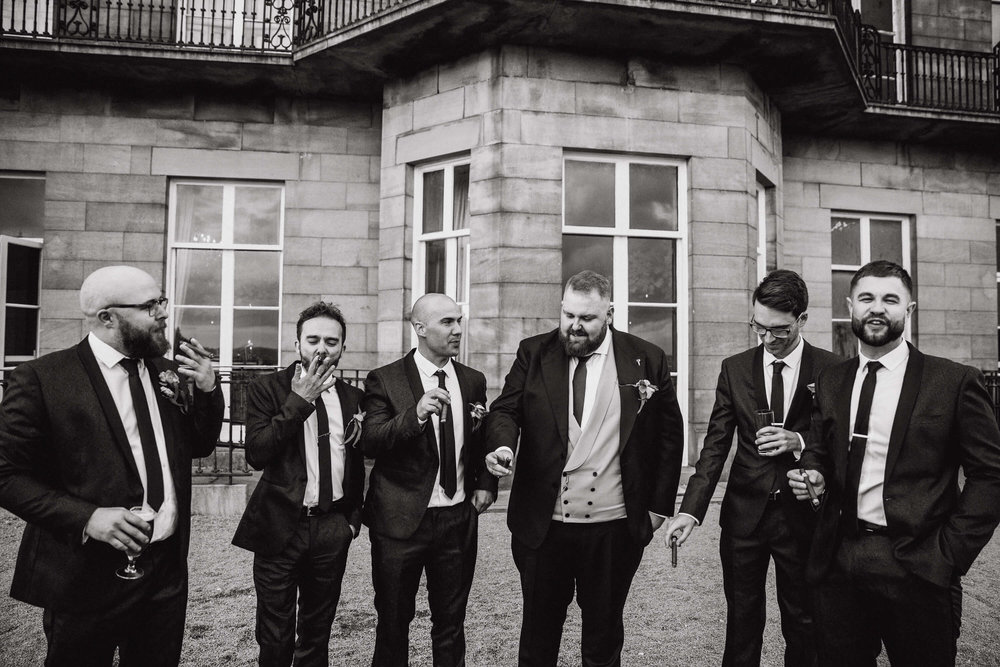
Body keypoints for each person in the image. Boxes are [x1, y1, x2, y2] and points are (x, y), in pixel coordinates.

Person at [0, 265, 224, 667]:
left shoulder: (167, 372)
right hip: (85, 576)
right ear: (107, 317)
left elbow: (199, 445)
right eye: (150, 305)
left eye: (161, 301)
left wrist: (208, 391)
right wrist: (87, 517)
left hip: (165, 574)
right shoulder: (42, 379)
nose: (163, 313)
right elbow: (6, 473)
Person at [788, 260, 1000, 666]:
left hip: (918, 565)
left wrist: (948, 555)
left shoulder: (953, 382)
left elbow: (990, 475)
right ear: (850, 305)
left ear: (909, 310)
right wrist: (812, 471)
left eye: (890, 299)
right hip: (840, 563)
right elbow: (819, 447)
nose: (877, 308)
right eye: (867, 298)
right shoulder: (833, 381)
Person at [484, 269, 685, 667]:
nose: (574, 326)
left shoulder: (647, 358)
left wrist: (659, 508)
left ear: (608, 314)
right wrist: (502, 444)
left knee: (603, 637)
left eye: (586, 318)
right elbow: (506, 408)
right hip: (544, 528)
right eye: (568, 314)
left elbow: (669, 436)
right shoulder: (534, 352)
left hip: (614, 530)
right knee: (538, 639)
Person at [666, 269, 840, 666]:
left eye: (778, 331)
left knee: (803, 620)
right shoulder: (734, 368)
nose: (766, 339)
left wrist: (798, 442)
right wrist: (691, 511)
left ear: (802, 320)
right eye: (758, 328)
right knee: (742, 621)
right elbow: (715, 445)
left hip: (803, 517)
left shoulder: (831, 369)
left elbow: (839, 441)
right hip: (744, 517)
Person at [360, 293, 497, 667]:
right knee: (393, 621)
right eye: (447, 322)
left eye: (458, 321)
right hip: (400, 521)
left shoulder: (471, 380)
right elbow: (371, 441)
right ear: (419, 328)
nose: (457, 329)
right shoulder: (384, 379)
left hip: (456, 520)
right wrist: (415, 415)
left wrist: (486, 482)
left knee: (451, 624)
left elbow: (482, 438)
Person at [232, 302, 365, 667]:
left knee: (317, 630)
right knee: (274, 635)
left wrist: (351, 519)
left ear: (342, 348)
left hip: (332, 526)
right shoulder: (267, 389)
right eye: (313, 340)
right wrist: (300, 400)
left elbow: (355, 462)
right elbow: (257, 453)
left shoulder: (354, 398)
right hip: (280, 526)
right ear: (297, 345)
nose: (322, 348)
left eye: (331, 341)